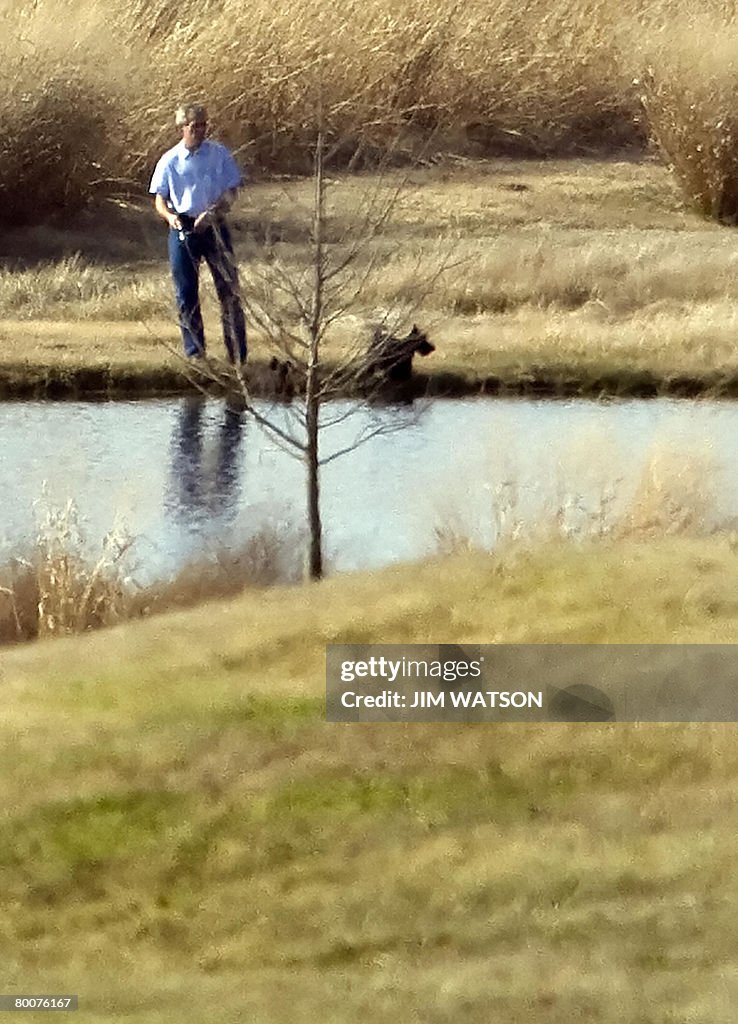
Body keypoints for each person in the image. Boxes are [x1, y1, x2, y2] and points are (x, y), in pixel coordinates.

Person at [149, 102, 248, 367]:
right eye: (194, 127)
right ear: (182, 128)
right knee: (186, 292)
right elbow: (160, 199)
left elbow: (231, 192)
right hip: (184, 229)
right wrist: (171, 219)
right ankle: (195, 353)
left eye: (203, 126)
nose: (199, 131)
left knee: (229, 289)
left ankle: (237, 355)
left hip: (214, 226)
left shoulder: (219, 154)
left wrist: (214, 213)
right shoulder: (170, 160)